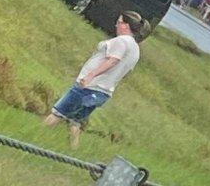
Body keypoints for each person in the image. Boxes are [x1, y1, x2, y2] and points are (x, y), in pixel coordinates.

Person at [44, 12, 148, 148]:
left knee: (58, 113)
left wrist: (90, 76)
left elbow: (113, 60)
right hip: (104, 92)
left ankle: (32, 138)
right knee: (75, 121)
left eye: (119, 21)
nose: (116, 24)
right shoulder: (135, 49)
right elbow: (126, 71)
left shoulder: (121, 41)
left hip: (89, 87)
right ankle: (72, 149)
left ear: (125, 25)